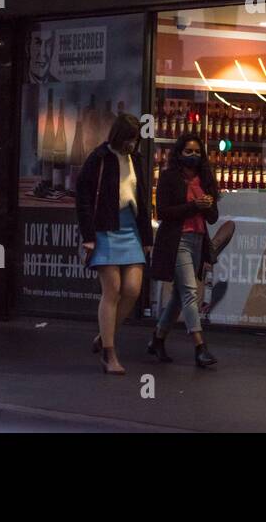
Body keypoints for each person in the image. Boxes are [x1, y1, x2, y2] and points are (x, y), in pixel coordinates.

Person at [76, 113, 151, 375]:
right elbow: (83, 196)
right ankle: (109, 353)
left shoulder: (136, 159)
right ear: (118, 136)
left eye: (136, 139)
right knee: (113, 289)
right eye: (129, 138)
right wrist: (88, 235)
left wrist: (147, 238)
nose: (132, 144)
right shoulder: (99, 158)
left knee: (132, 289)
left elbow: (142, 199)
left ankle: (104, 335)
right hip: (105, 229)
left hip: (131, 228)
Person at [148, 133, 219, 368]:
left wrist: (207, 206)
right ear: (179, 153)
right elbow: (164, 213)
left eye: (197, 152)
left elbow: (213, 218)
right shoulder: (169, 178)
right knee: (190, 291)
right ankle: (200, 347)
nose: (193, 155)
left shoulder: (205, 179)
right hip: (177, 240)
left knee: (179, 296)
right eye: (188, 151)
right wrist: (193, 206)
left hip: (198, 240)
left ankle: (157, 339)